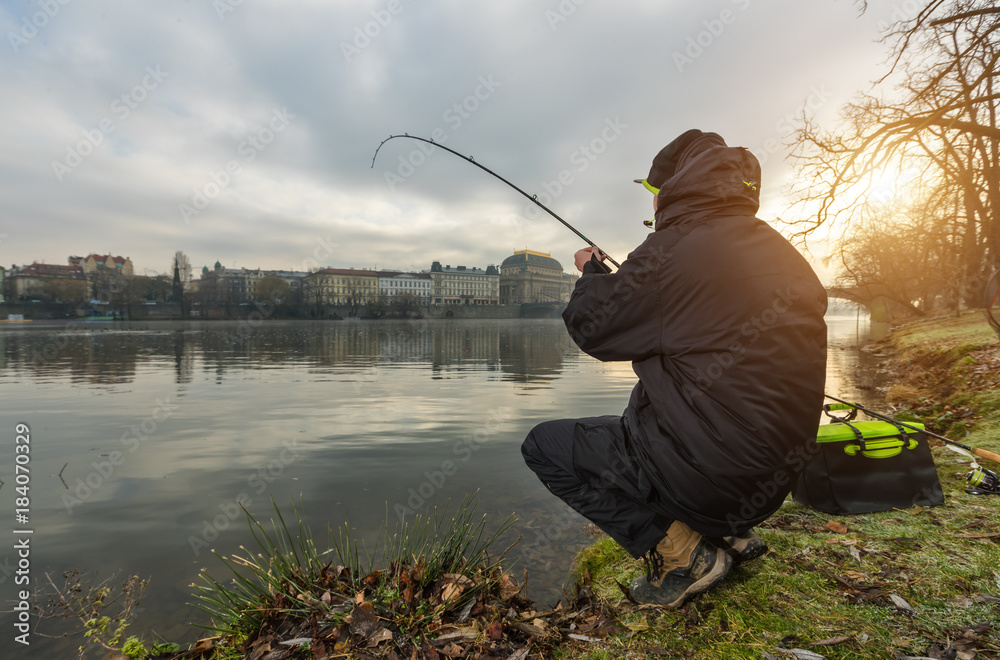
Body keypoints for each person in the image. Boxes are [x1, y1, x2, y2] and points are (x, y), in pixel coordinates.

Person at [521, 129, 828, 608]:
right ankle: (732, 535)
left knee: (545, 447)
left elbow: (593, 330)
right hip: (774, 481)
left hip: (716, 477)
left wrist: (589, 273)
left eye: (657, 190)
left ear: (677, 184)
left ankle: (683, 553)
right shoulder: (781, 253)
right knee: (677, 410)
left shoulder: (673, 248)